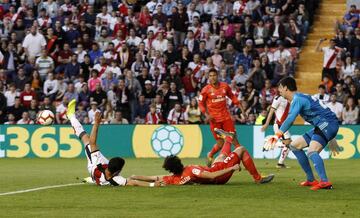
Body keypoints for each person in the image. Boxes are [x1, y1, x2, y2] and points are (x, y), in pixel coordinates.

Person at [263, 77, 340, 190]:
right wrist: (332, 137)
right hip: (324, 125)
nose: (278, 90)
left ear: (285, 88)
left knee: (311, 151)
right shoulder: (299, 98)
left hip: (327, 124)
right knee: (294, 146)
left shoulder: (297, 99)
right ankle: (311, 179)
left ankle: (325, 182)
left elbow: (290, 119)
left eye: (280, 87)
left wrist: (277, 135)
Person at [130, 128, 274, 185]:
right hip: (218, 175)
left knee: (221, 157)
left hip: (214, 170)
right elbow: (211, 176)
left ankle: (227, 139)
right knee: (241, 149)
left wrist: (135, 177)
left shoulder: (174, 179)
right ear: (179, 163)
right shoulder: (191, 170)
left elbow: (154, 178)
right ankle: (257, 179)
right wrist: (234, 167)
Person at [66, 99, 160, 187]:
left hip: (93, 168)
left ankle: (71, 116)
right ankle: (93, 179)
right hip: (101, 177)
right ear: (117, 172)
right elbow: (132, 182)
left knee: (85, 137)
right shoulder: (116, 180)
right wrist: (152, 184)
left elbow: (92, 142)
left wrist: (96, 124)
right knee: (130, 178)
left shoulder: (98, 163)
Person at [199, 68, 252, 170]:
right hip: (214, 121)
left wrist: (242, 110)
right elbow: (200, 104)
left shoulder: (225, 86)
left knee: (234, 140)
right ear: (208, 77)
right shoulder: (205, 90)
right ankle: (210, 154)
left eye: (214, 75)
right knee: (220, 143)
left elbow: (233, 97)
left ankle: (240, 162)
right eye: (210, 76)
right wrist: (206, 114)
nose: (212, 77)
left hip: (226, 118)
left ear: (217, 76)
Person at [261, 95, 291, 169]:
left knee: (288, 144)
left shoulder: (288, 98)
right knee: (288, 144)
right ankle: (270, 144)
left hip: (284, 124)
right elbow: (271, 111)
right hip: (279, 125)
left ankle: (280, 163)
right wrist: (267, 123)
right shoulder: (278, 98)